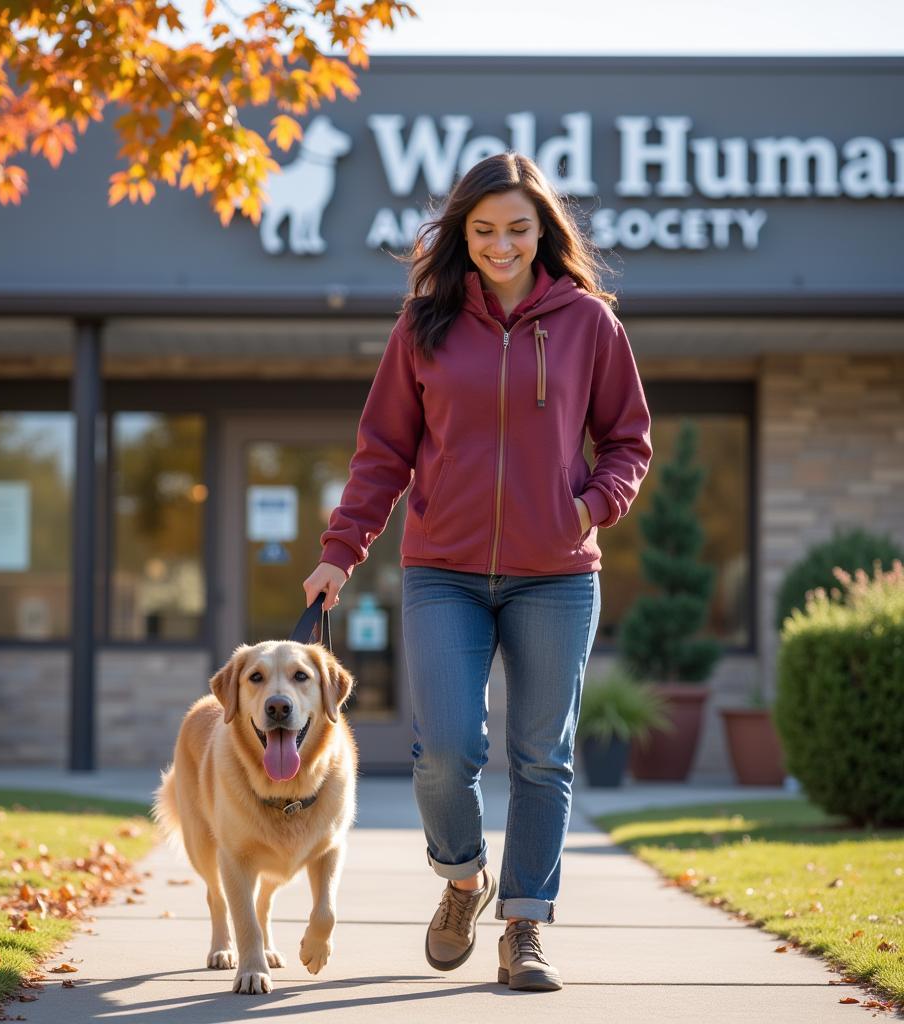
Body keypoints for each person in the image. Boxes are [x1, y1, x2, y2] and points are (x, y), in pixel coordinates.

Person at [302, 151, 652, 992]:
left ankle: (524, 926)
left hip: (557, 573)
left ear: (543, 233)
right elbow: (383, 452)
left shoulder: (589, 324)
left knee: (542, 756)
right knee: (444, 750)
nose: (501, 245)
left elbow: (628, 442)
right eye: (484, 229)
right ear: (463, 232)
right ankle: (463, 879)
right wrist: (339, 552)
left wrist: (590, 506)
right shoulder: (424, 324)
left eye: (518, 230)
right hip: (444, 569)